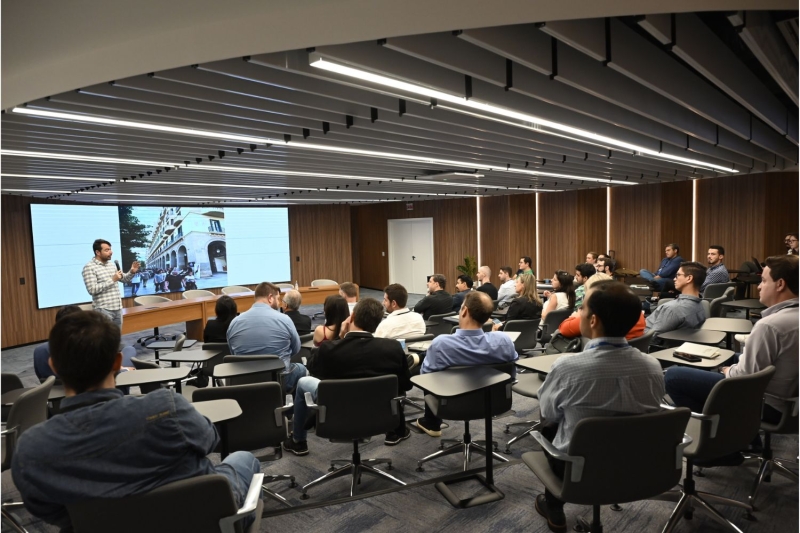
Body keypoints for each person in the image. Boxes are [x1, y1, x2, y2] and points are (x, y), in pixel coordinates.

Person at [12, 311, 262, 530]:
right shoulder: (167, 408)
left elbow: (49, 511)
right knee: (243, 459)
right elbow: (211, 440)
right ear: (118, 362)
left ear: (53, 366)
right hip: (199, 520)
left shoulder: (30, 449)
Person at [533, 282, 664, 532]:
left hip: (578, 468)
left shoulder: (567, 368)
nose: (576, 313)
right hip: (638, 461)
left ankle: (554, 506)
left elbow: (549, 413)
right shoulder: (653, 367)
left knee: (549, 424)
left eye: (580, 308)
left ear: (593, 321)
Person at [665, 255, 798, 425]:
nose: (758, 287)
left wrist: (726, 370)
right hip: (788, 400)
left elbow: (744, 377)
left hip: (767, 404)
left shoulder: (770, 326)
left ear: (780, 284)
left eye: (763, 281)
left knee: (674, 376)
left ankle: (719, 436)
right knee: (728, 355)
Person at [282, 298, 413, 455]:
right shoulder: (392, 348)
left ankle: (298, 441)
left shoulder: (328, 349)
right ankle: (396, 431)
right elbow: (406, 385)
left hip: (336, 413)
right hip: (378, 414)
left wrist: (342, 338)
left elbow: (312, 369)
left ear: (352, 317)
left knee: (303, 381)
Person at [415, 291, 518, 437]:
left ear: (464, 311)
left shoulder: (441, 343)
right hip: (493, 404)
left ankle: (432, 422)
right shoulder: (504, 341)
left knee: (431, 365)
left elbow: (425, 379)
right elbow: (511, 375)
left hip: (451, 406)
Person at [227, 282, 305, 393]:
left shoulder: (234, 323)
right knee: (301, 369)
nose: (279, 303)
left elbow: (233, 354)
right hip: (277, 381)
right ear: (270, 298)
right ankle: (289, 408)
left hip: (244, 381)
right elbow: (296, 349)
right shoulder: (285, 320)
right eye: (278, 299)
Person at [558, 278, 645, 340]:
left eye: (583, 307)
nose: (581, 309)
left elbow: (564, 329)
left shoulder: (566, 365)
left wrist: (575, 316)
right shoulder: (652, 365)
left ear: (593, 320)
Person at [81, 238, 139, 328]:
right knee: (104, 339)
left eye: (110, 249)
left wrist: (132, 272)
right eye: (107, 250)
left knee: (116, 338)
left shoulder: (111, 265)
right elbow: (92, 290)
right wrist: (112, 280)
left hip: (117, 308)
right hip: (103, 310)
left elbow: (123, 279)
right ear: (98, 252)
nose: (111, 252)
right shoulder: (89, 267)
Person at [644, 261, 706, 339]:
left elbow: (653, 339)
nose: (674, 279)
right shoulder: (702, 305)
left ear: (689, 278)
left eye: (678, 275)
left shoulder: (673, 309)